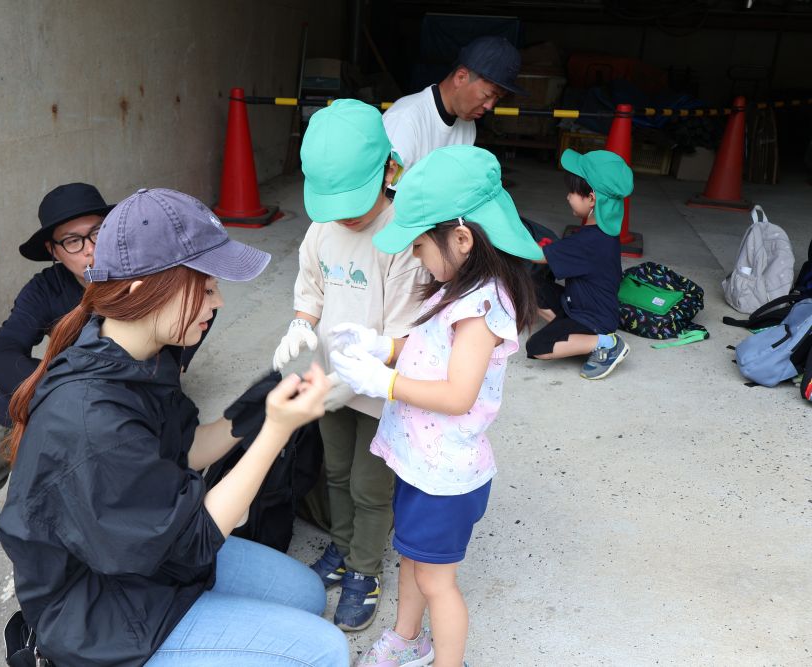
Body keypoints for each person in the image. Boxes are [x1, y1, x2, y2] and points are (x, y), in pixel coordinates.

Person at [0, 187, 348, 667]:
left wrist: (257, 411)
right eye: (204, 288)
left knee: (306, 593)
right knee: (325, 651)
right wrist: (275, 433)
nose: (217, 301)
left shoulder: (142, 353)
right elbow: (196, 540)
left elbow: (184, 450)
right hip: (105, 614)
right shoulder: (91, 420)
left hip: (147, 562)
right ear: (143, 290)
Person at [327, 145, 542, 667]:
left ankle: (447, 661)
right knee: (413, 560)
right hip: (422, 463)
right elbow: (427, 346)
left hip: (445, 477)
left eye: (420, 244)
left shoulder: (480, 307)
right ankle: (405, 637)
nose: (415, 256)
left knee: (437, 581)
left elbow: (457, 394)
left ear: (462, 239)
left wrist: (387, 382)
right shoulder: (456, 289)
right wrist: (387, 347)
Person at [271, 98, 426, 631]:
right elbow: (311, 286)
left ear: (390, 169)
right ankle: (342, 547)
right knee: (335, 470)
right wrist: (299, 325)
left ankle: (364, 569)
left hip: (381, 388)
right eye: (333, 202)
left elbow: (407, 337)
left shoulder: (402, 239)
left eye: (353, 199)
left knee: (370, 485)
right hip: (332, 382)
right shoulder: (322, 230)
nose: (345, 213)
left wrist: (365, 368)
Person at [0, 183, 114, 587]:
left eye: (98, 232)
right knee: (14, 387)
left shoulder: (142, 269)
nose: (90, 249)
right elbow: (0, 357)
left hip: (132, 390)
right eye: (73, 240)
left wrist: (177, 364)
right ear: (53, 250)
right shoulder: (46, 289)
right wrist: (60, 384)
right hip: (76, 391)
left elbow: (196, 303)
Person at [525, 149, 634, 380]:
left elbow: (537, 255)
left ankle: (607, 343)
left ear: (592, 198)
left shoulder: (589, 241)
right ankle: (572, 335)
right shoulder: (601, 233)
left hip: (593, 320)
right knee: (529, 285)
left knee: (538, 346)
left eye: (572, 192)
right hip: (579, 305)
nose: (567, 197)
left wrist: (499, 238)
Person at [382, 35, 524, 187]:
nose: (490, 106)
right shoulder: (406, 120)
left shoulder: (467, 126)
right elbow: (385, 193)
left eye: (497, 98)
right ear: (461, 77)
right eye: (487, 95)